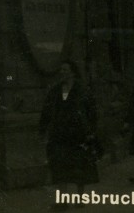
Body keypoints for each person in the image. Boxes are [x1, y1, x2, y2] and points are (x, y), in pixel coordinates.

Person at [39, 60, 99, 209]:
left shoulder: (83, 89)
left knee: (80, 168)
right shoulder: (57, 90)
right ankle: (62, 201)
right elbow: (47, 111)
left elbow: (92, 112)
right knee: (60, 167)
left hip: (79, 134)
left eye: (66, 70)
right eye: (61, 70)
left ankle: (80, 198)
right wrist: (42, 129)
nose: (62, 73)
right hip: (60, 134)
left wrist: (91, 131)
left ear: (72, 72)